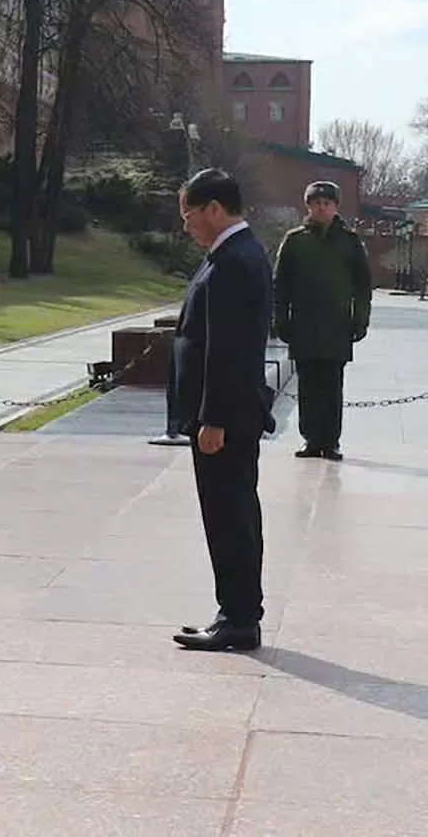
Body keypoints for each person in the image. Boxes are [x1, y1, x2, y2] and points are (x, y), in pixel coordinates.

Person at [170, 168, 275, 654]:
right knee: (229, 514)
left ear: (215, 209)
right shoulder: (233, 253)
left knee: (230, 515)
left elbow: (228, 349)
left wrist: (212, 418)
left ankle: (239, 617)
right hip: (227, 413)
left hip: (226, 418)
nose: (186, 225)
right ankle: (233, 611)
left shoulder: (234, 260)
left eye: (190, 214)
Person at [274, 180, 372, 462]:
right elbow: (281, 285)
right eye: (317, 203)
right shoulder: (294, 240)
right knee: (307, 384)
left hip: (336, 324)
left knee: (331, 384)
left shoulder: (349, 241)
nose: (322, 207)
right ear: (308, 206)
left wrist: (360, 320)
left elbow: (362, 285)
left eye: (327, 203)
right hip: (303, 324)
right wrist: (281, 319)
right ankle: (310, 439)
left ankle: (330, 441)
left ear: (335, 207)